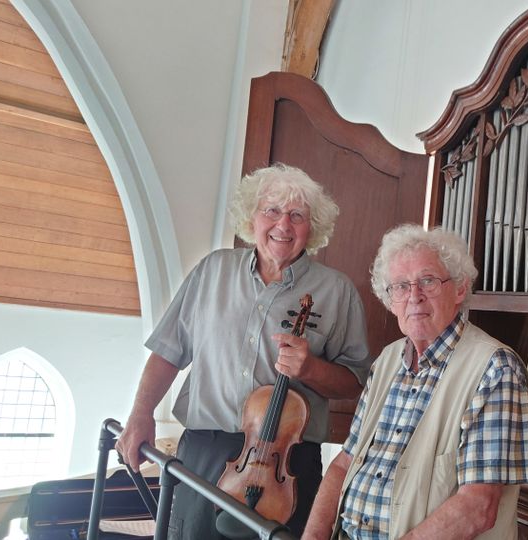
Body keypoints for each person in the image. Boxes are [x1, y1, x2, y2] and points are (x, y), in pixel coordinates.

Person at [115, 164, 371, 539]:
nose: (283, 225)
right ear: (251, 217)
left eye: (297, 216)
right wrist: (140, 414)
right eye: (271, 210)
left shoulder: (337, 291)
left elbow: (355, 381)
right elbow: (168, 351)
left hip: (289, 467)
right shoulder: (212, 271)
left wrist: (311, 369)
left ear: (312, 229)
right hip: (203, 452)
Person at [303, 224, 528, 540]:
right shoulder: (387, 360)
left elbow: (478, 507)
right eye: (400, 286)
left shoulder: (495, 369)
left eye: (428, 281)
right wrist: (313, 535)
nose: (414, 296)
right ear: (390, 298)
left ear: (461, 288)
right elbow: (344, 464)